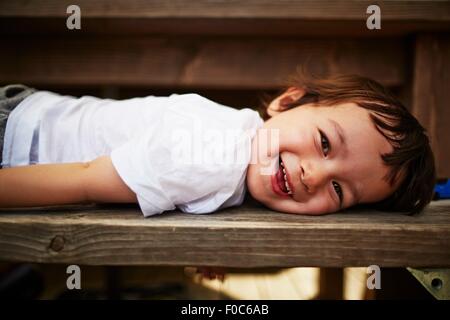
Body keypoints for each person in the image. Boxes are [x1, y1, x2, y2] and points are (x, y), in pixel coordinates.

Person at [0, 72, 436, 218]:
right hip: (17, 145)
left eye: (340, 191)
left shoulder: (243, 145)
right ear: (288, 101)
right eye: (324, 143)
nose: (315, 175)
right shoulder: (213, 151)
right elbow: (82, 180)